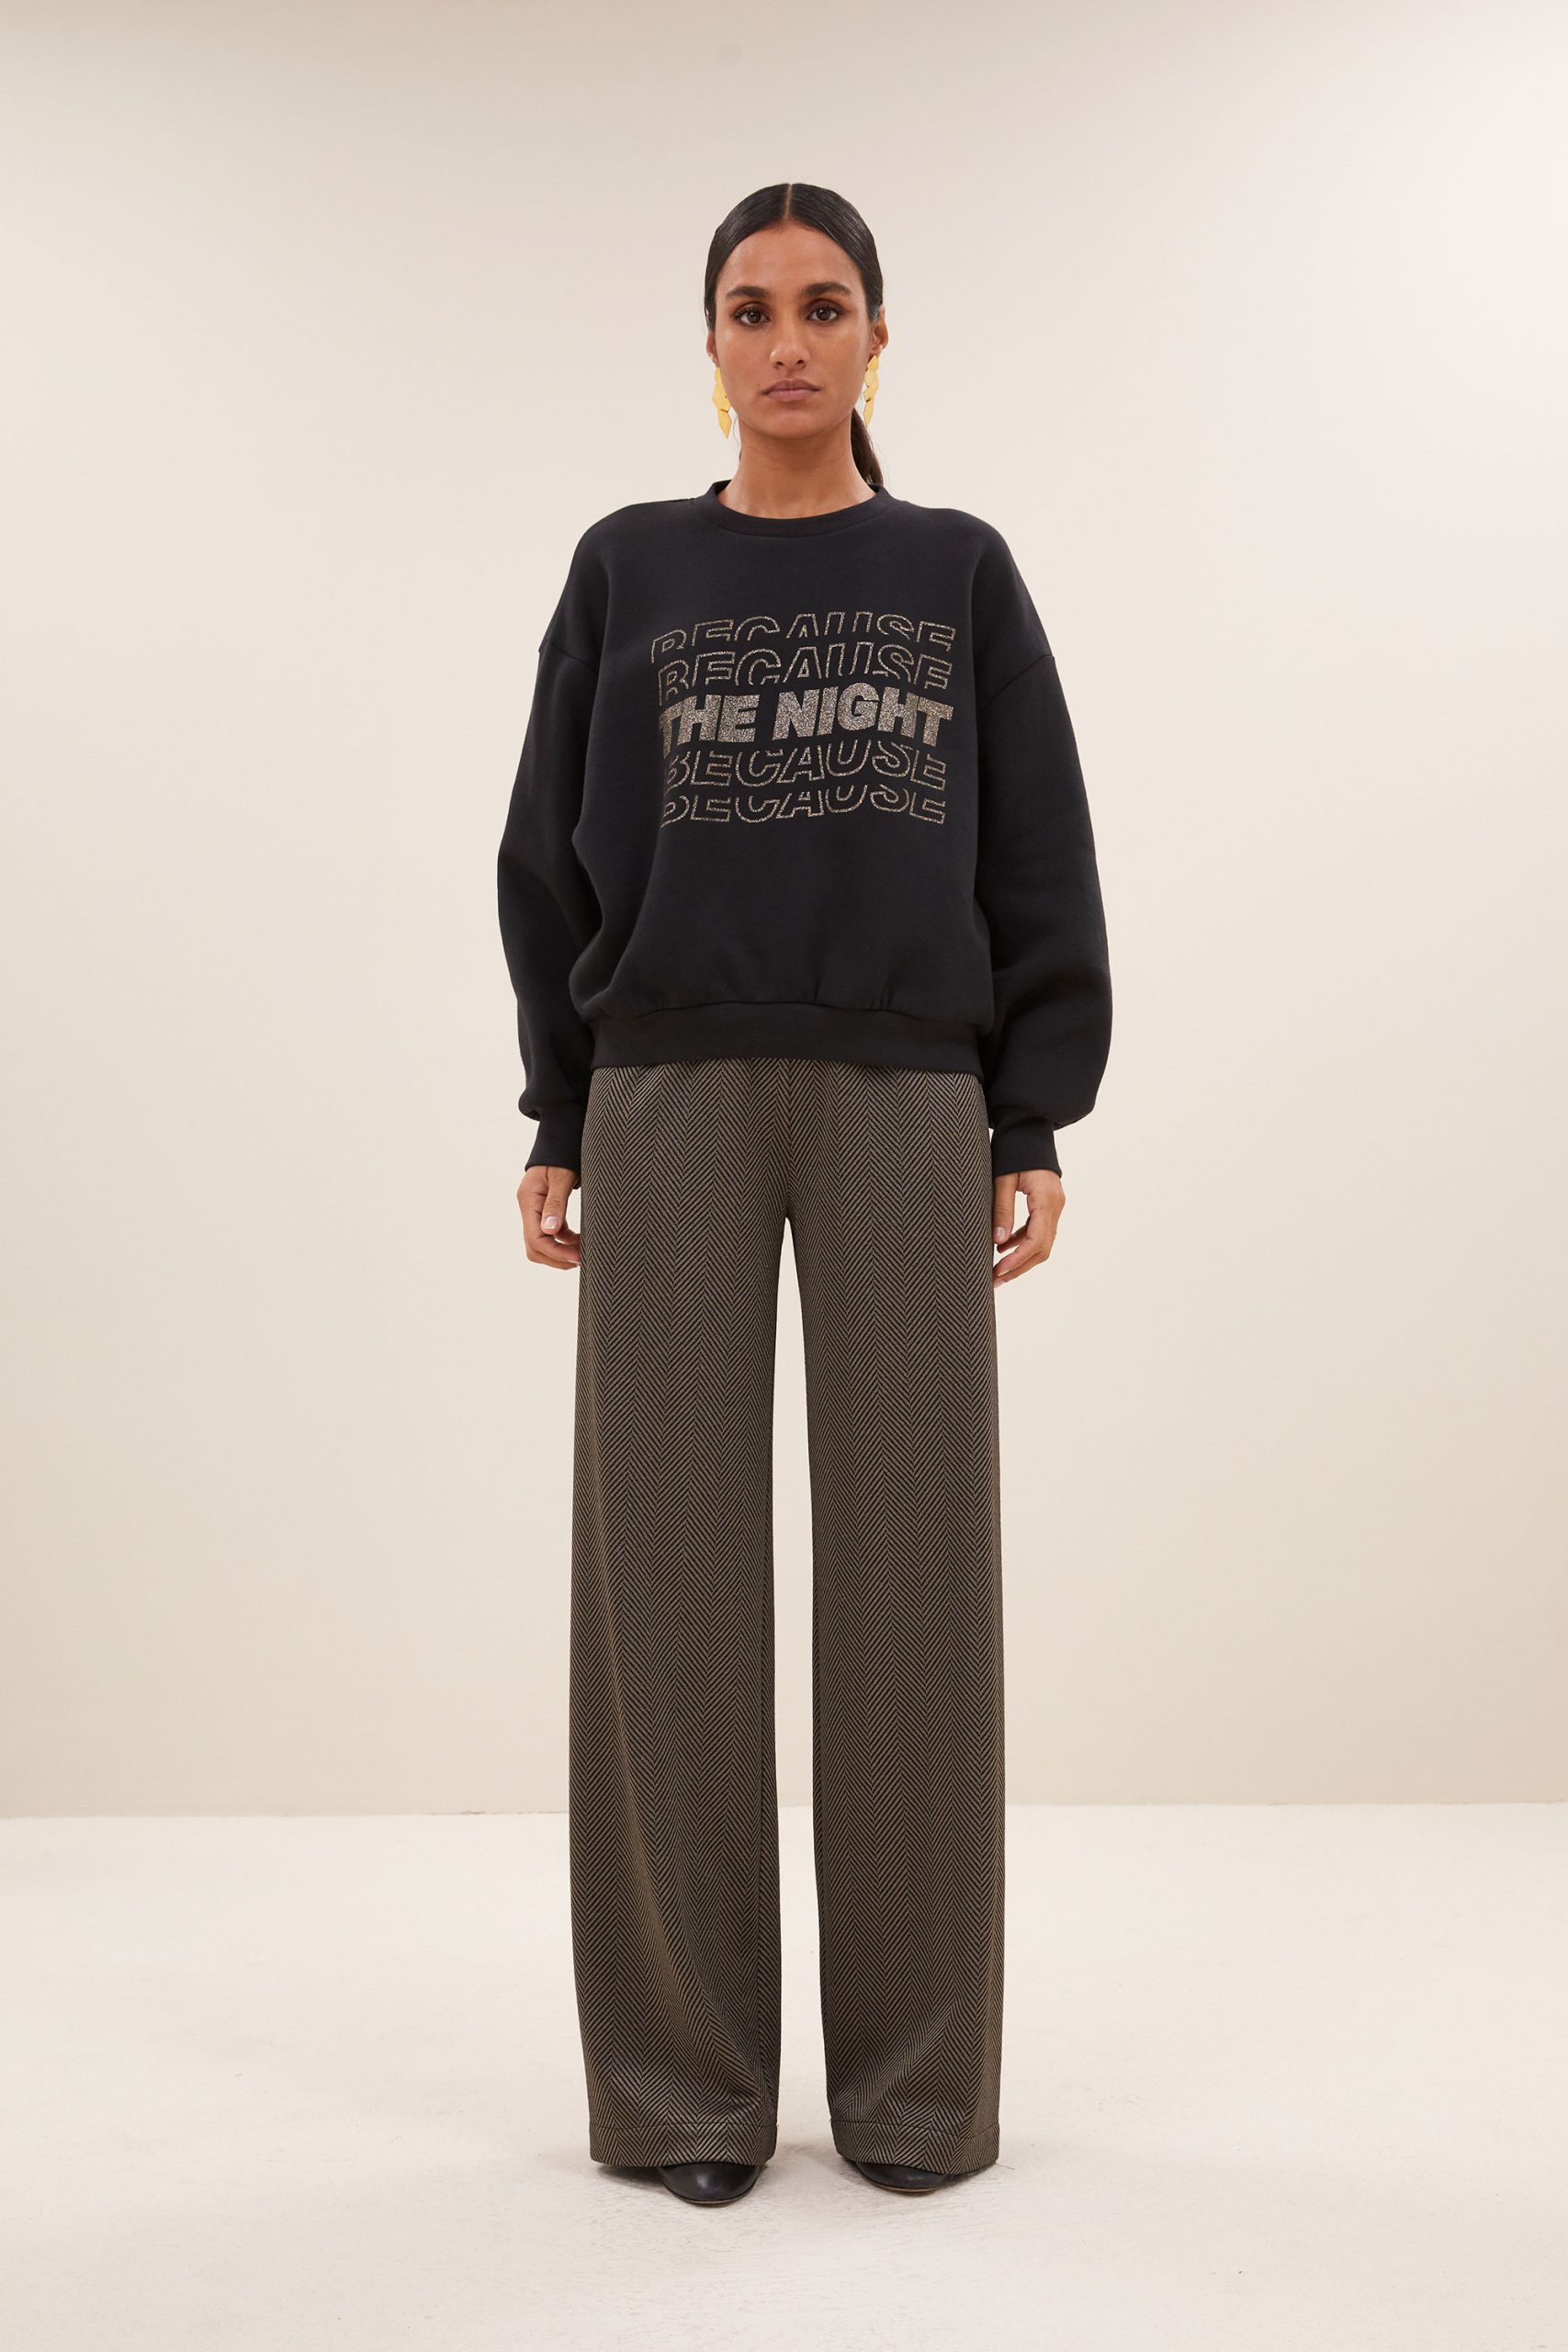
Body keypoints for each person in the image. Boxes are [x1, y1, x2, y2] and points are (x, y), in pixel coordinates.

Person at [496, 180, 1112, 2209]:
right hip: (665, 1091)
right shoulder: (627, 565)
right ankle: (685, 2093)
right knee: (663, 1594)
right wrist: (558, 1108)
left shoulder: (954, 570)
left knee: (915, 1587)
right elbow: (546, 855)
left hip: (905, 1099)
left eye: (823, 305)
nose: (787, 339)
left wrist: (1030, 1115)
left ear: (875, 338)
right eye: (751, 307)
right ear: (707, 341)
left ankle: (918, 2098)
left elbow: (1033, 846)